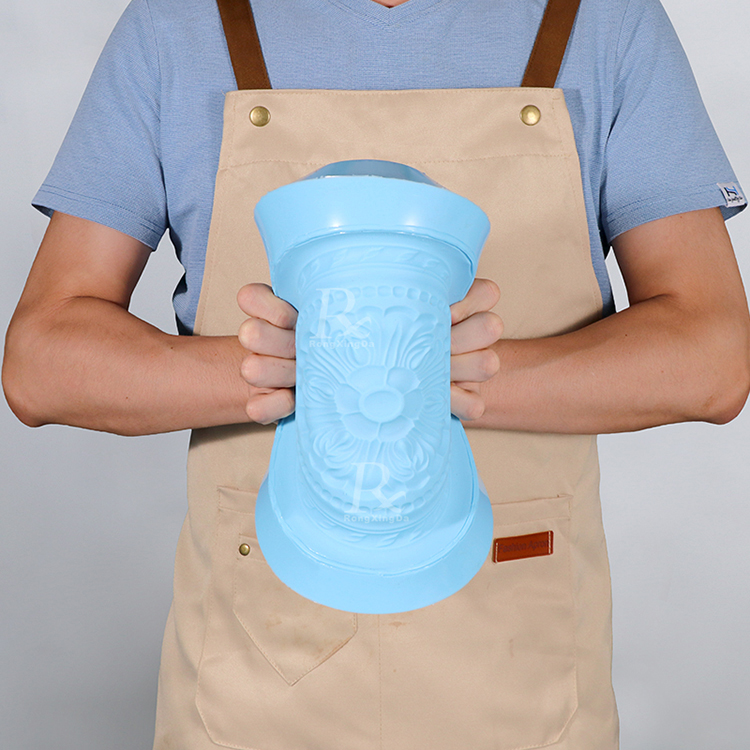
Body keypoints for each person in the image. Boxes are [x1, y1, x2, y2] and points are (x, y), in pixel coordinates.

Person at [3, 0, 749, 748]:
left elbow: (712, 357)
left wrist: (428, 373)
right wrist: (304, 367)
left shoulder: (603, 21)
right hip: (252, 683)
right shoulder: (179, 25)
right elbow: (43, 364)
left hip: (524, 671)